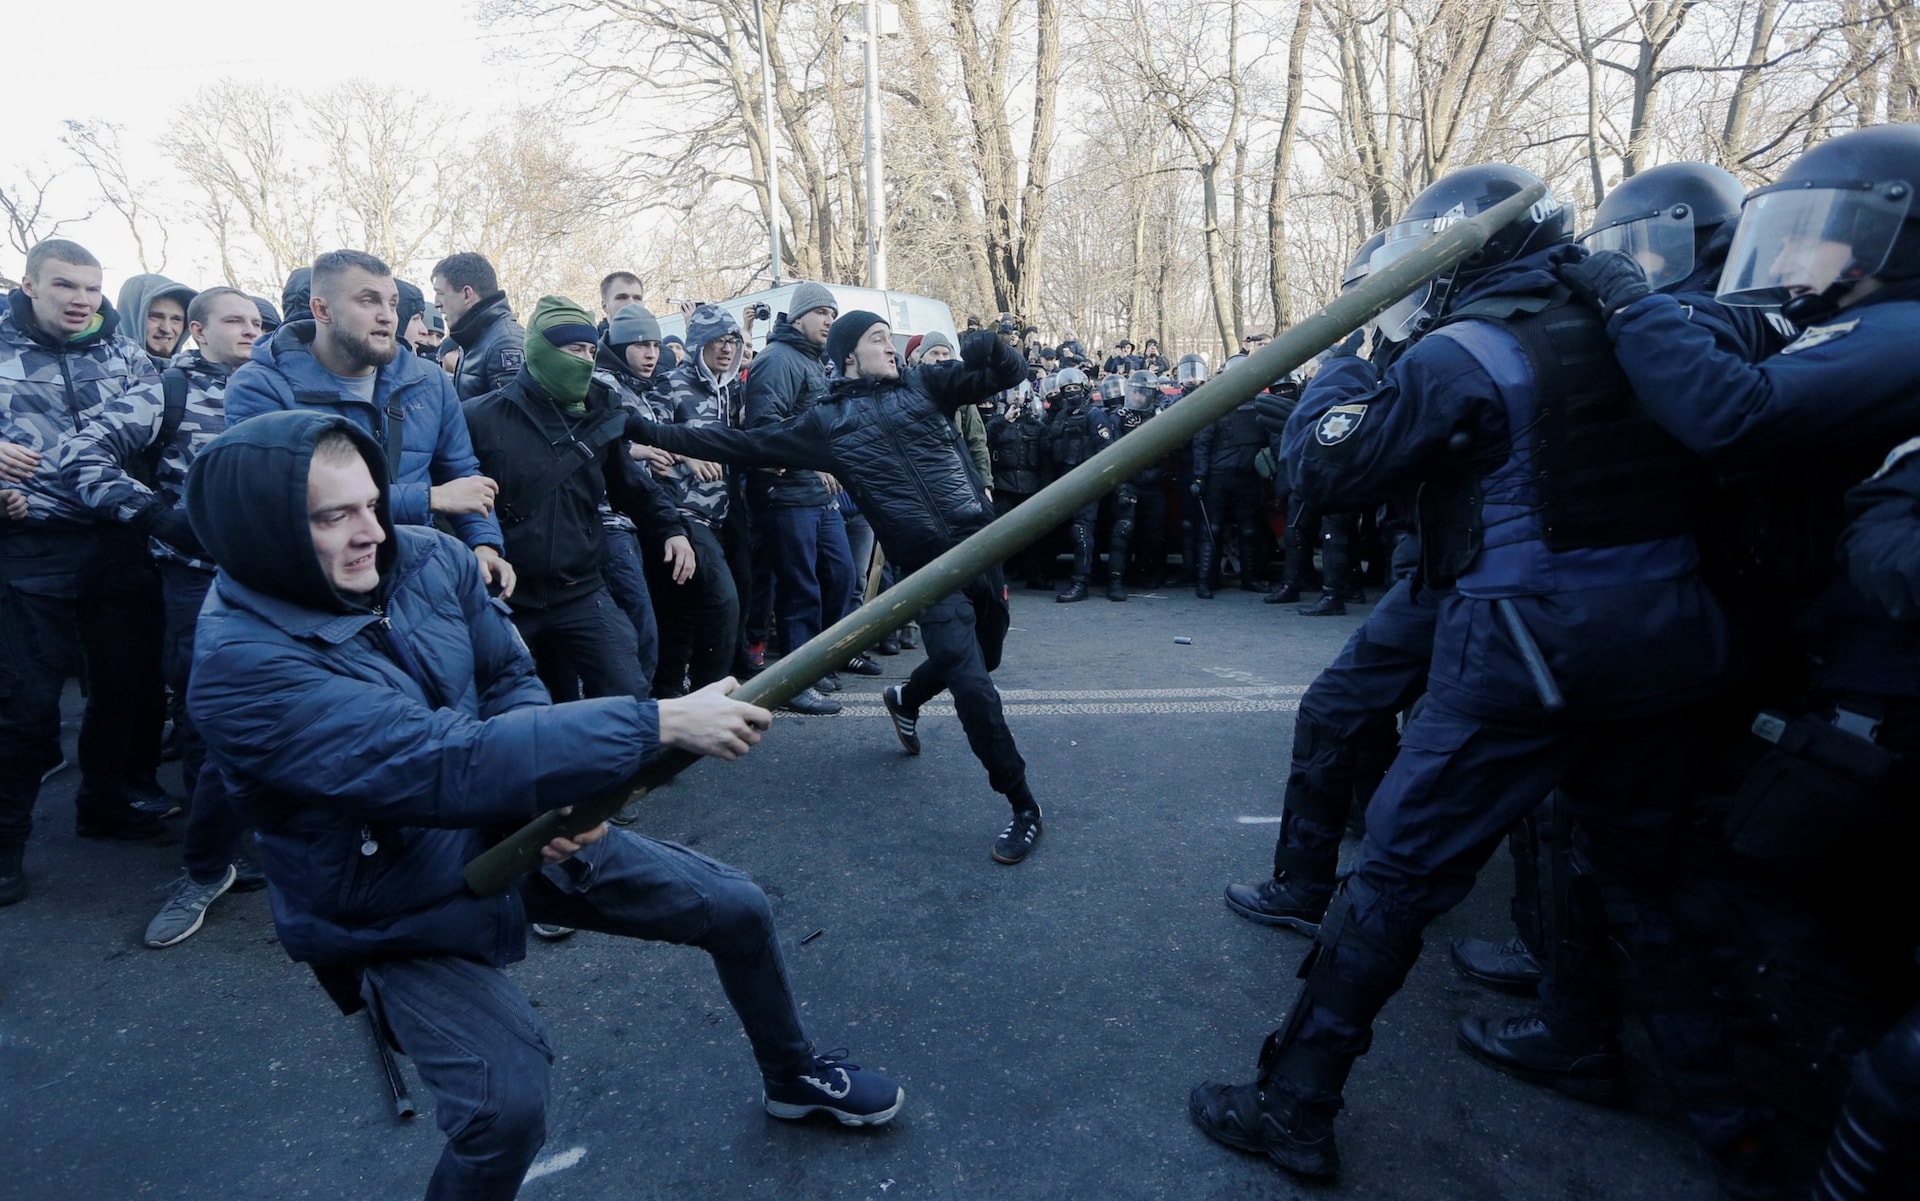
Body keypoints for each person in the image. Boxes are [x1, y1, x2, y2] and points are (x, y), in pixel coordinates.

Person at [1189, 164, 1774, 1195]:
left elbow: (1322, 470)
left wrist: (1357, 350)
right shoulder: (1659, 319)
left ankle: (1294, 1105)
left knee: (1398, 878)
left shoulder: (1470, 350)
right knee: (1643, 882)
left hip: (1523, 648)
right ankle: (1735, 1134)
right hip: (1669, 644)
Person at [184, 409, 903, 1199]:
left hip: (509, 824)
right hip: (389, 898)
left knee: (734, 906)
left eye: (372, 503)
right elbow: (437, 761)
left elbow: (506, 680)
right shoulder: (240, 668)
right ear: (264, 531)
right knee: (505, 1106)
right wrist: (657, 720)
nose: (373, 533)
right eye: (333, 517)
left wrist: (552, 802)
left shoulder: (426, 559)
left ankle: (791, 1074)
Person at [621, 314, 1044, 864]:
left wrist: (992, 346)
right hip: (927, 575)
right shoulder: (827, 422)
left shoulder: (925, 385)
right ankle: (1022, 805)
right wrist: (642, 431)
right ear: (848, 355)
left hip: (980, 552)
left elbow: (1006, 375)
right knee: (973, 689)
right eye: (877, 340)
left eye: (891, 339)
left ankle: (905, 697)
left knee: (983, 659)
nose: (891, 348)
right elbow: (736, 442)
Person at [49, 285, 272, 943]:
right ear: (197, 331)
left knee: (275, 714)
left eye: (258, 321)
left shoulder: (282, 388)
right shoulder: (166, 391)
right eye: (234, 320)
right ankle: (209, 864)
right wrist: (153, 514)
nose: (250, 330)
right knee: (205, 723)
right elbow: (77, 454)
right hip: (198, 586)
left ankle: (258, 842)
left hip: (278, 583)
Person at [0, 239, 173, 909]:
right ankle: (7, 843)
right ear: (30, 284)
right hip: (30, 541)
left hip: (114, 533)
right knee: (26, 700)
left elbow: (139, 416)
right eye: (65, 285)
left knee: (126, 685)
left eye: (92, 288)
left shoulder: (124, 353)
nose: (81, 299)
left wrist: (65, 458)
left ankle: (103, 804)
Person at [225, 250, 516, 600]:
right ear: (322, 310)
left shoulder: (428, 381)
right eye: (368, 300)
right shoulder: (261, 386)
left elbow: (462, 475)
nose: (387, 317)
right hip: (316, 584)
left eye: (392, 303)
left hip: (416, 576)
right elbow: (282, 498)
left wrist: (485, 545)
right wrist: (430, 498)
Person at [462, 296, 694, 704]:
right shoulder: (480, 418)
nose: (585, 361)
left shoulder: (597, 416)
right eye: (573, 350)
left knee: (628, 693)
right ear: (542, 350)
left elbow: (630, 486)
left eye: (591, 350)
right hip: (508, 596)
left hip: (580, 590)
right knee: (520, 707)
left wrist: (671, 529)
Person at [741, 282, 857, 717]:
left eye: (833, 312)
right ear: (800, 316)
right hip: (787, 495)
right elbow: (767, 429)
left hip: (815, 492)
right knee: (799, 587)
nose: (830, 320)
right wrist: (815, 462)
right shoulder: (777, 360)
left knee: (841, 575)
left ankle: (814, 662)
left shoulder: (811, 360)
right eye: (822, 312)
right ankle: (794, 679)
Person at [1045, 366, 1112, 602]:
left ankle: (1080, 583)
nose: (1071, 393)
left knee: (1081, 530)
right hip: (1065, 480)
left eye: (1075, 388)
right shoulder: (1061, 415)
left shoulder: (1094, 415)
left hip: (1086, 480)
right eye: (1067, 389)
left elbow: (1106, 450)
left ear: (1083, 388)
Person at [1103, 370, 1167, 601]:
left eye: (1142, 394)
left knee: (1154, 533)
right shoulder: (1118, 417)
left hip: (1153, 480)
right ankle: (1115, 581)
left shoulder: (1160, 417)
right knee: (1123, 528)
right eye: (1135, 393)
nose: (1137, 398)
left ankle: (1140, 571)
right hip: (1126, 481)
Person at [986, 383, 1053, 590]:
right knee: (999, 536)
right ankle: (996, 579)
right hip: (1004, 488)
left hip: (1030, 487)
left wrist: (1045, 488)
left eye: (1019, 392)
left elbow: (1045, 460)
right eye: (1012, 392)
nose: (1015, 396)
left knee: (1032, 537)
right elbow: (984, 440)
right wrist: (1003, 420)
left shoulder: (1036, 425)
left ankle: (1034, 576)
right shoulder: (997, 423)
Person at [433, 251, 525, 402]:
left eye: (440, 293)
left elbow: (513, 419)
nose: (437, 303)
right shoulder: (472, 337)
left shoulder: (506, 343)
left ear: (467, 294)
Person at [116, 274, 198, 371]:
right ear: (130, 317)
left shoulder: (195, 378)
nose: (166, 328)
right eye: (156, 316)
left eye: (176, 319)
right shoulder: (103, 373)